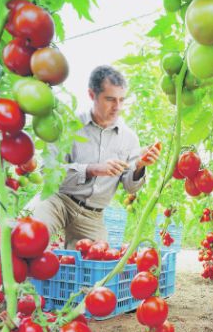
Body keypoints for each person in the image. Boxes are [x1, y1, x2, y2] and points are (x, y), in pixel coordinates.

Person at [26, 65, 160, 249]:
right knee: (30, 235)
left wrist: (139, 166)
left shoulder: (129, 138)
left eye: (122, 100)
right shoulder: (68, 125)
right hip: (58, 200)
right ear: (92, 95)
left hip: (93, 215)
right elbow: (48, 171)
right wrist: (92, 169)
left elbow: (130, 187)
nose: (117, 107)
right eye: (110, 99)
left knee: (93, 266)